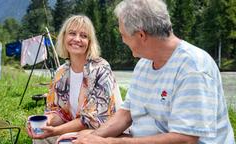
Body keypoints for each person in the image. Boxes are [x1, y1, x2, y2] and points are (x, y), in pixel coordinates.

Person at [64, 0, 235, 144]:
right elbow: (126, 113)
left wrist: (111, 142)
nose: (122, 39)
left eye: (123, 34)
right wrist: (93, 137)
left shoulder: (194, 68)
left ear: (141, 35)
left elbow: (185, 139)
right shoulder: (144, 64)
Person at [27, 15, 122, 144]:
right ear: (64, 37)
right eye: (72, 33)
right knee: (40, 138)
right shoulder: (61, 72)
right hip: (75, 129)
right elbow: (59, 112)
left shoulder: (100, 68)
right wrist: (47, 120)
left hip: (102, 133)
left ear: (90, 42)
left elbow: (92, 120)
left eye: (83, 36)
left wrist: (56, 131)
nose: (77, 39)